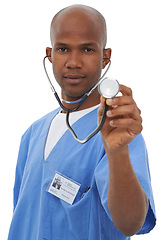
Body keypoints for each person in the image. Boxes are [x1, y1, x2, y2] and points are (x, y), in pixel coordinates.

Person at [8, 4, 156, 240]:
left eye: (87, 49)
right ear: (50, 53)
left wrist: (116, 152)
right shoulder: (32, 134)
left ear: (105, 58)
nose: (74, 62)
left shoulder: (117, 131)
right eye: (64, 49)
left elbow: (130, 224)